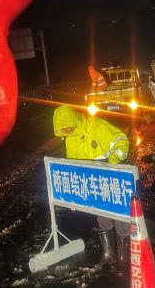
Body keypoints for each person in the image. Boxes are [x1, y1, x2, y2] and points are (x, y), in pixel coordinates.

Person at [52, 105, 130, 268]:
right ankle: (109, 254)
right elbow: (74, 168)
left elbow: (121, 140)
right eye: (63, 130)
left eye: (68, 127)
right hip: (96, 184)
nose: (66, 132)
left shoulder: (97, 125)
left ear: (74, 120)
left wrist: (113, 162)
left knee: (121, 218)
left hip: (113, 178)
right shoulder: (70, 138)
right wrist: (74, 197)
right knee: (102, 218)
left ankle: (125, 256)